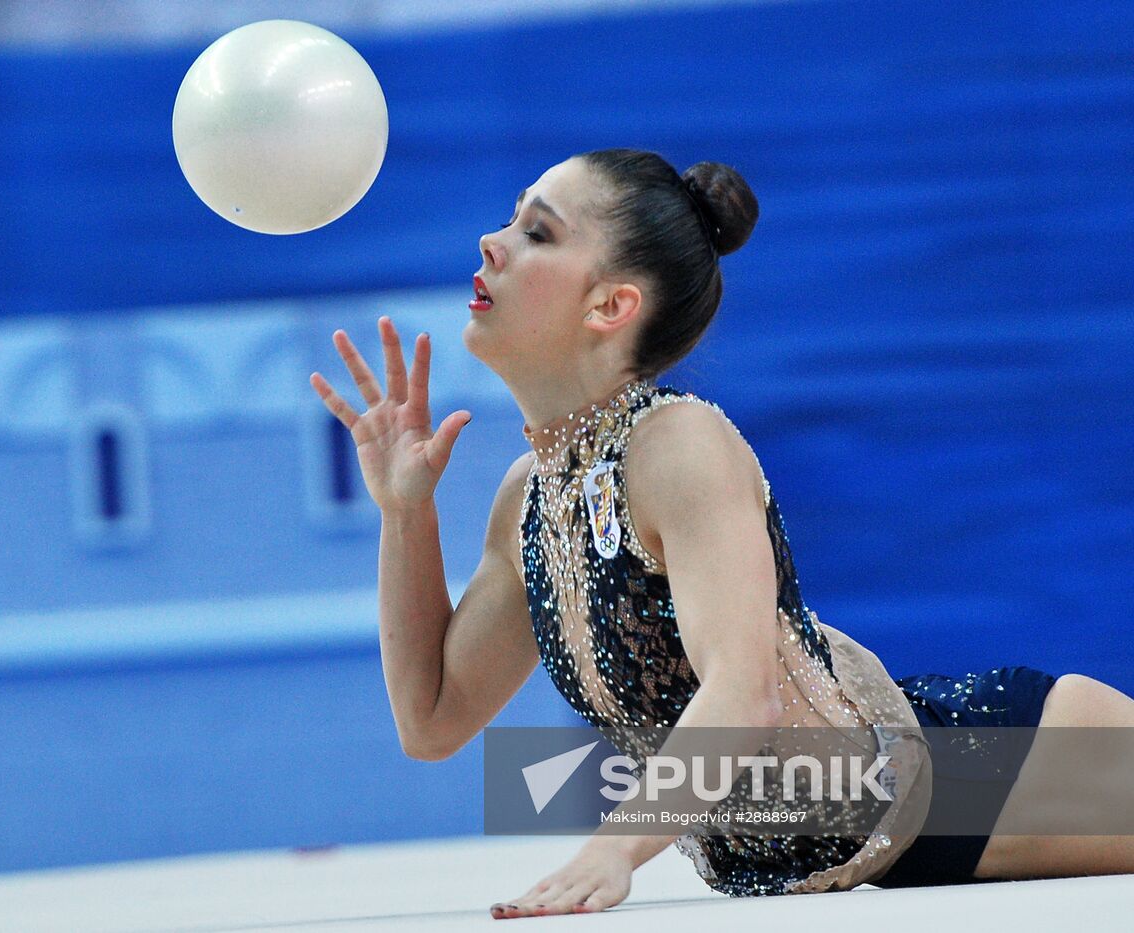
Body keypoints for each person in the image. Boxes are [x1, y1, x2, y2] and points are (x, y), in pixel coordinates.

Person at [308, 148, 1134, 917]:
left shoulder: (677, 444)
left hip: (986, 775)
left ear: (611, 304)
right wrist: (404, 512)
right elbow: (433, 719)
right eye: (512, 219)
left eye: (537, 231)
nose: (492, 242)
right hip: (867, 836)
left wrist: (613, 851)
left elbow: (741, 692)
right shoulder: (530, 497)